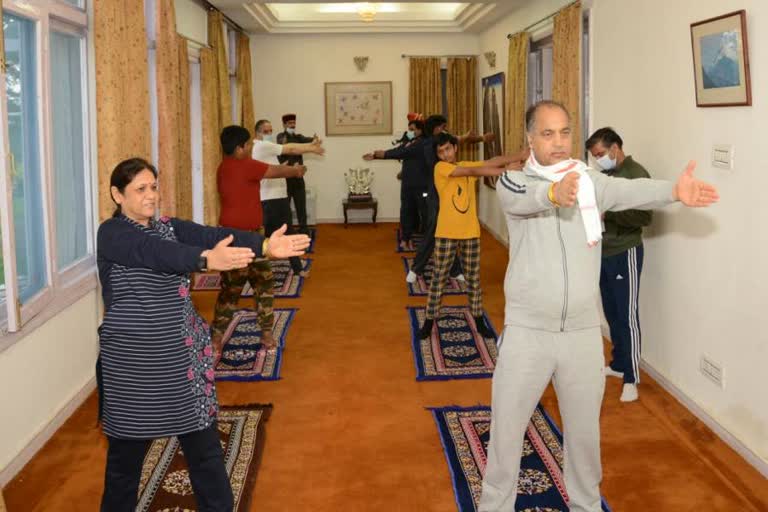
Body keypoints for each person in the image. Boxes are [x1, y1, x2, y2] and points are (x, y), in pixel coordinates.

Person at [479, 100, 719, 512]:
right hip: (527, 333)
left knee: (585, 436)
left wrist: (673, 191)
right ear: (530, 140)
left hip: (582, 334)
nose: (558, 142)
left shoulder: (588, 180)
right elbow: (528, 199)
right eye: (548, 133)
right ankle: (494, 505)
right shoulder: (513, 182)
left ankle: (585, 505)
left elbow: (626, 190)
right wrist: (554, 192)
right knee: (506, 433)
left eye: (565, 132)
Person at [96, 158, 309, 512]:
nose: (151, 195)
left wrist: (264, 246)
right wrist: (206, 259)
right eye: (140, 189)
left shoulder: (168, 227)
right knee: (124, 465)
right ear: (118, 194)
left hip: (181, 358)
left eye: (153, 186)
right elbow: (157, 255)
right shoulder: (112, 234)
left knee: (205, 452)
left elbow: (214, 235)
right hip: (133, 366)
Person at [417, 132, 526, 340]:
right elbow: (471, 170)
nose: (445, 154)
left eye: (448, 149)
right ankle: (429, 322)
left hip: (470, 233)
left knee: (473, 280)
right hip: (446, 233)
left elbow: (490, 161)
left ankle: (478, 320)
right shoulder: (441, 168)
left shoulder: (464, 162)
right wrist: (506, 170)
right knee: (439, 279)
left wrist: (518, 155)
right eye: (441, 152)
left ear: (455, 148)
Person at [211, 125, 306, 355]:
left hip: (248, 237)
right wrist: (297, 170)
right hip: (240, 239)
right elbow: (277, 171)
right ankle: (217, 338)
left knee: (257, 283)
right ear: (239, 148)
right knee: (236, 289)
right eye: (248, 145)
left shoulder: (223, 167)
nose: (252, 147)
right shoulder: (245, 166)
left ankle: (258, 333)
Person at [364, 115, 491, 282]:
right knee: (434, 231)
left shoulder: (443, 142)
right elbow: (399, 152)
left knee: (444, 233)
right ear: (436, 128)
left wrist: (481, 138)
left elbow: (460, 139)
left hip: (448, 196)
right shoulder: (421, 144)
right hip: (433, 195)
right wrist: (376, 155)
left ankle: (450, 270)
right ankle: (419, 269)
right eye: (443, 127)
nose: (445, 130)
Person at [586, 127, 652, 402]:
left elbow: (645, 217)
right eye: (593, 156)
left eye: (600, 154)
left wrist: (608, 214)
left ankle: (631, 377)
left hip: (625, 252)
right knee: (612, 313)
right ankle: (618, 363)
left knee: (627, 315)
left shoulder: (636, 174)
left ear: (615, 148)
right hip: (604, 252)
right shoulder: (607, 176)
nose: (598, 160)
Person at [254, 118, 324, 277]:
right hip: (269, 199)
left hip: (276, 197)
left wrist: (288, 168)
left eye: (271, 131)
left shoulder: (266, 148)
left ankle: (297, 268)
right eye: (266, 132)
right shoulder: (262, 146)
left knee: (285, 233)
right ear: (257, 133)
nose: (269, 134)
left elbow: (275, 167)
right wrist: (311, 148)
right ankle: (257, 272)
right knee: (269, 236)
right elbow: (291, 148)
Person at [277, 113, 319, 235]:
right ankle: (287, 230)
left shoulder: (298, 137)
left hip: (298, 177)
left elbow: (310, 141)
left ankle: (304, 229)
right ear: (284, 124)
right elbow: (284, 146)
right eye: (290, 123)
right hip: (286, 177)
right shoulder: (281, 137)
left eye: (294, 123)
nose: (292, 125)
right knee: (286, 207)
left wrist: (315, 140)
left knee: (301, 205)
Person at [397, 114, 427, 251]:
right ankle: (405, 239)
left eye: (413, 129)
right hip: (407, 183)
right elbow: (401, 154)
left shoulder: (426, 142)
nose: (411, 132)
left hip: (423, 184)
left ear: (421, 129)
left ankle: (428, 239)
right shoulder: (407, 140)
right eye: (409, 129)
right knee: (406, 211)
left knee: (425, 210)